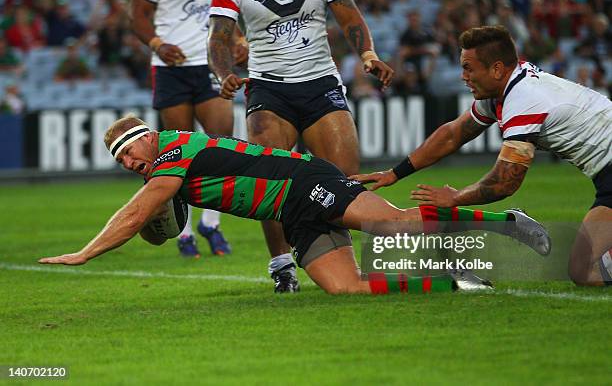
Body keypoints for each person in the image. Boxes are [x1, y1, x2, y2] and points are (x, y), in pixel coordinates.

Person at [38, 115, 551, 295]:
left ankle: (508, 220)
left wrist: (85, 253)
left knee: (397, 227)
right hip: (291, 209)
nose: (129, 162)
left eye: (129, 150)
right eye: (120, 159)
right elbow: (147, 214)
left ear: (148, 139)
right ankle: (456, 281)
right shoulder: (164, 166)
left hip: (303, 180)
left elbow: (137, 213)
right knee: (346, 288)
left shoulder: (176, 148)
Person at [352, 25, 612, 287]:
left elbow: (506, 181)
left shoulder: (524, 99)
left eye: (468, 67)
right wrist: (395, 173)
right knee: (582, 270)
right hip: (606, 178)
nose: (463, 76)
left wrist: (455, 197)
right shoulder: (505, 89)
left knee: (586, 269)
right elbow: (453, 135)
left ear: (497, 69)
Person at [207, 0, 394, 293]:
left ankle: (344, 261)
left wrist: (368, 54)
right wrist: (223, 74)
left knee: (346, 180)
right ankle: (282, 266)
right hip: (268, 86)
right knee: (268, 181)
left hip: (320, 83)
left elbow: (349, 16)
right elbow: (219, 37)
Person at [129, 0, 248, 262]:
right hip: (172, 69)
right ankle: (184, 232)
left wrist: (239, 40)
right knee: (176, 152)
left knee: (222, 147)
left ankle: (211, 223)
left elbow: (224, 12)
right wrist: (157, 45)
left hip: (210, 63)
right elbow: (137, 15)